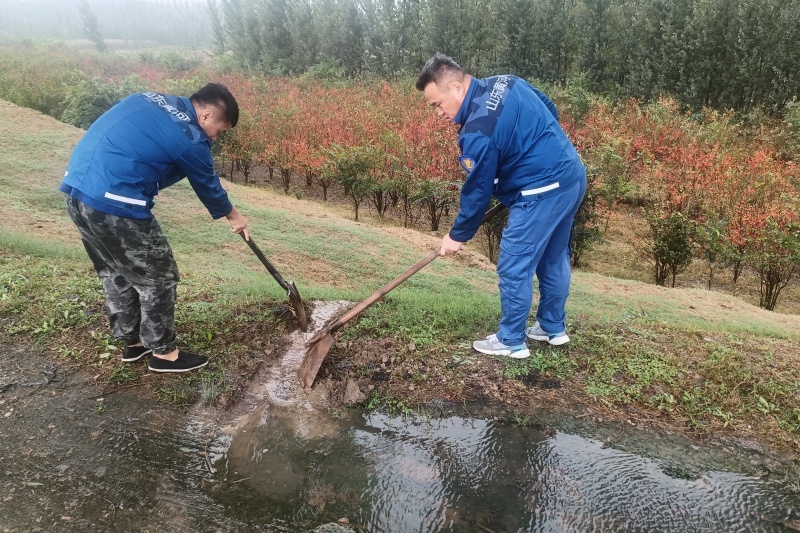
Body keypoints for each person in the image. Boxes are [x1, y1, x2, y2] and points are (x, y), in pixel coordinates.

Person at [60, 83, 249, 372]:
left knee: (115, 269)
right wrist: (235, 217)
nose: (214, 137)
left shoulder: (148, 99)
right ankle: (164, 354)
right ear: (207, 115)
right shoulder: (190, 136)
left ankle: (133, 342)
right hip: (116, 203)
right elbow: (208, 185)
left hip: (76, 191)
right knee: (159, 276)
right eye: (219, 131)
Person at [416, 53, 586, 359]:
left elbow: (478, 191)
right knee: (553, 255)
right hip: (571, 175)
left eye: (437, 104)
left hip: (541, 190)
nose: (438, 113)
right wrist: (538, 149)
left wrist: (457, 235)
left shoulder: (477, 131)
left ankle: (511, 340)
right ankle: (552, 327)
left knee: (513, 265)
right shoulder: (506, 82)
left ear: (456, 87)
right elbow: (549, 109)